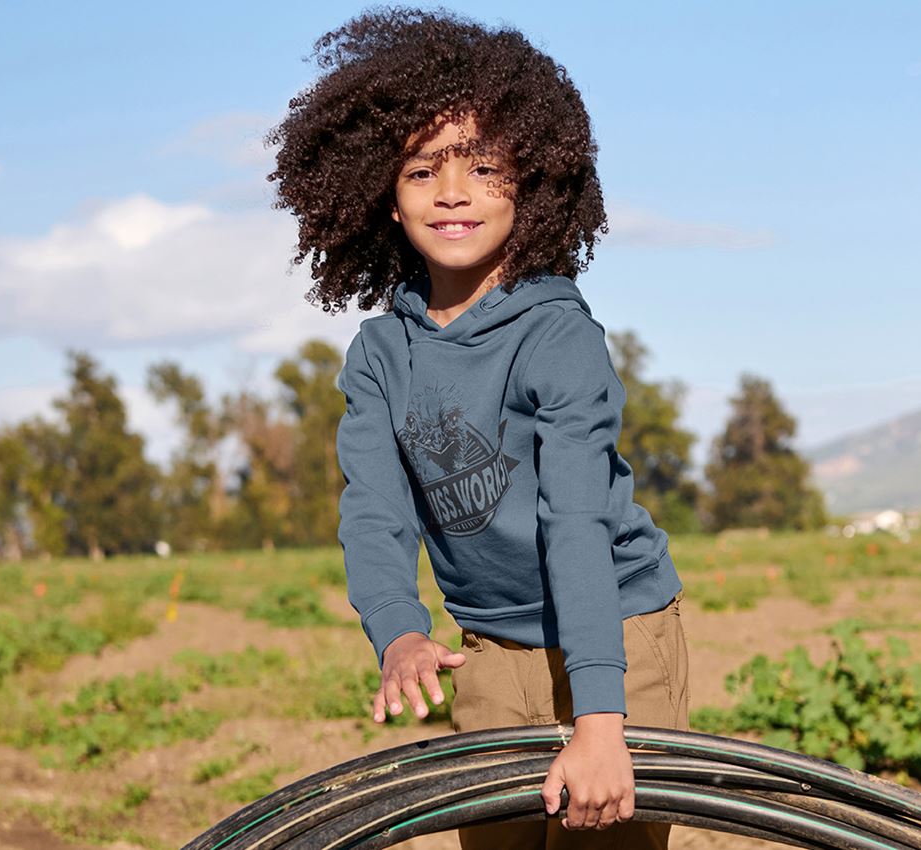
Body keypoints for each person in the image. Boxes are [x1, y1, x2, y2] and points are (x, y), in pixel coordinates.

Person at [265, 8, 690, 848]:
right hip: (489, 650)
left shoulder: (557, 336)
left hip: (614, 639)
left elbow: (576, 521)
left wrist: (602, 719)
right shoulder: (382, 355)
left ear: (530, 185)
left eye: (484, 167)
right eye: (422, 171)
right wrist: (399, 631)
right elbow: (375, 510)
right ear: (384, 198)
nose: (452, 192)